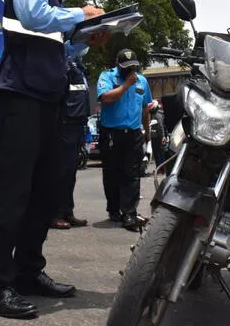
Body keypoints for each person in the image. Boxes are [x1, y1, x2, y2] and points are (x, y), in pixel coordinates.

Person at [0, 0, 116, 319]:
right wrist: (81, 15)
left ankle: (27, 272)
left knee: (44, 193)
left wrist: (88, 37)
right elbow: (33, 16)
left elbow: (56, 45)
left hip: (47, 101)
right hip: (19, 98)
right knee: (12, 194)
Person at [97, 49, 152, 231]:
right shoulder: (107, 77)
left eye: (132, 67)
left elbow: (145, 108)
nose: (129, 71)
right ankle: (114, 210)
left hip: (134, 133)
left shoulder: (142, 81)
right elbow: (106, 98)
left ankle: (129, 213)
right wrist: (126, 85)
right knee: (112, 173)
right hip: (111, 133)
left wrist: (147, 131)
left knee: (131, 174)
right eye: (125, 68)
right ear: (117, 65)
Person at [51, 54, 90, 230]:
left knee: (70, 173)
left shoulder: (78, 64)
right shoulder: (63, 61)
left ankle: (67, 212)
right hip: (65, 122)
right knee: (61, 172)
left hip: (78, 122)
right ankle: (55, 214)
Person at [148, 100, 168, 172]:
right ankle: (159, 168)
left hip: (158, 137)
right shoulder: (153, 115)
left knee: (159, 154)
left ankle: (161, 169)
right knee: (157, 153)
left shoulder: (157, 115)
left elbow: (160, 126)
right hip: (155, 137)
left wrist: (163, 136)